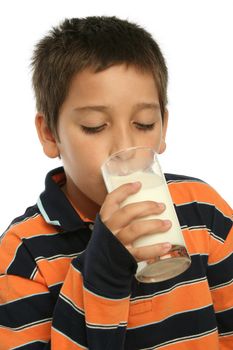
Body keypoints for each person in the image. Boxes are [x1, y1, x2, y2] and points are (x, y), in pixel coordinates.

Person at [0, 16, 232, 350]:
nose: (124, 148)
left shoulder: (204, 213)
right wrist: (103, 270)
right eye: (95, 126)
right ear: (50, 134)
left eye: (144, 123)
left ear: (163, 126)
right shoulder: (25, 257)